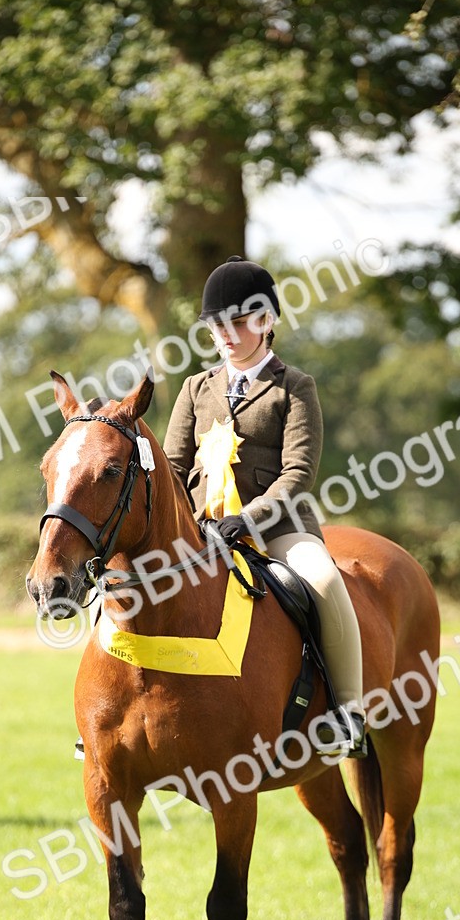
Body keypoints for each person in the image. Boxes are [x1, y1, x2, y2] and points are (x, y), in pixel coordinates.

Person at [164, 256, 366, 757]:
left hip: (276, 528)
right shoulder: (195, 388)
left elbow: (297, 474)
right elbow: (171, 466)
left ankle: (348, 712)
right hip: (200, 527)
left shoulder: (295, 388)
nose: (225, 335)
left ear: (266, 321)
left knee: (323, 580)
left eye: (237, 322)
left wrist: (246, 519)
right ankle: (103, 722)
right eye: (216, 325)